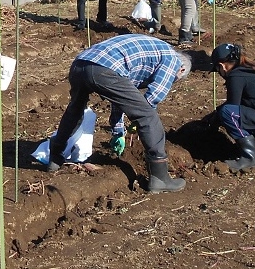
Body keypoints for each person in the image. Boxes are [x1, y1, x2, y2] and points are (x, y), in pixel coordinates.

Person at [46, 34, 192, 193]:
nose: (172, 81)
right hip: (104, 68)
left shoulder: (150, 56)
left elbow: (121, 97)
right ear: (182, 70)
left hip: (80, 63)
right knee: (148, 116)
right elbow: (151, 101)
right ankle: (160, 178)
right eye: (176, 79)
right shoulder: (173, 60)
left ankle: (55, 155)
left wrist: (118, 132)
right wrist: (135, 128)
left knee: (75, 110)